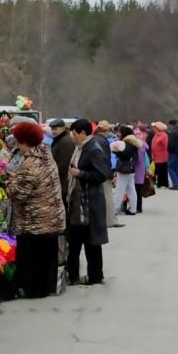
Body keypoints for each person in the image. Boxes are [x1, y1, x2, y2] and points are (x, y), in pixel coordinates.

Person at [6, 122, 65, 298]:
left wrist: (10, 183)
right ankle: (46, 288)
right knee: (48, 257)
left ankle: (33, 290)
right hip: (52, 217)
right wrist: (19, 178)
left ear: (24, 141)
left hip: (35, 220)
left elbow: (18, 195)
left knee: (32, 257)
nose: (17, 145)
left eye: (18, 142)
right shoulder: (46, 155)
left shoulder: (29, 164)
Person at [67, 119, 110, 285]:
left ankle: (93, 276)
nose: (73, 137)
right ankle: (80, 276)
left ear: (83, 133)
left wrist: (81, 174)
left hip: (89, 202)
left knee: (90, 242)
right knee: (81, 241)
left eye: (75, 133)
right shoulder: (82, 147)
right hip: (81, 201)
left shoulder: (93, 149)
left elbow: (102, 174)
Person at [94, 120, 124, 228]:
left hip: (95, 172)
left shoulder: (94, 139)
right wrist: (111, 176)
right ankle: (111, 221)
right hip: (104, 173)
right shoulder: (104, 141)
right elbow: (106, 160)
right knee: (108, 197)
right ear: (106, 131)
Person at [112, 126, 143, 216]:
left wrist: (116, 152)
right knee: (131, 189)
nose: (119, 134)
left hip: (124, 169)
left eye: (121, 132)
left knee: (119, 190)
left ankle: (114, 210)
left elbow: (124, 154)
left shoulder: (126, 143)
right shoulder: (134, 143)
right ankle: (133, 209)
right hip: (131, 169)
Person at [49, 119, 75, 208]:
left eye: (56, 129)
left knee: (64, 206)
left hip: (63, 181)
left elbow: (64, 163)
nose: (53, 131)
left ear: (63, 128)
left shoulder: (65, 141)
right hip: (60, 180)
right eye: (52, 129)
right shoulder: (60, 139)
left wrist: (54, 175)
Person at [133, 127, 150, 213]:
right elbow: (146, 160)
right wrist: (147, 168)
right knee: (138, 189)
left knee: (137, 189)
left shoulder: (139, 147)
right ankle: (139, 207)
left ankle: (138, 207)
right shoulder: (143, 145)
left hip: (137, 170)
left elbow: (138, 160)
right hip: (141, 169)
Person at [151, 122, 169, 188]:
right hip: (156, 156)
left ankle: (163, 183)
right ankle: (160, 183)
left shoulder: (164, 135)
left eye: (155, 128)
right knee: (158, 170)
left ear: (158, 128)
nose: (153, 129)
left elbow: (165, 146)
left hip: (162, 156)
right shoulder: (156, 135)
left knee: (162, 170)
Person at [167, 120, 178, 190]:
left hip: (173, 153)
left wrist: (168, 150)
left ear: (171, 125)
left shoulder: (173, 132)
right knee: (177, 169)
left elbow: (171, 144)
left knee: (170, 167)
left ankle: (175, 184)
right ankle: (177, 184)